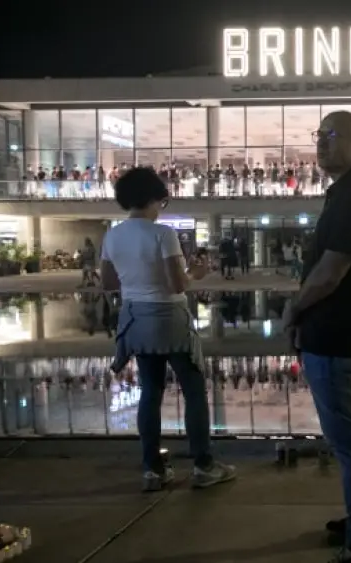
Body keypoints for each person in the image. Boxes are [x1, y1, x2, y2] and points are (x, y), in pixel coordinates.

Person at [282, 111, 351, 563]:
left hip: (334, 334)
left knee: (347, 442)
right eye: (319, 135)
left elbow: (331, 272)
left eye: (333, 135)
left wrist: (294, 307)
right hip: (340, 332)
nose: (322, 143)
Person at [99, 167, 235, 493]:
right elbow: (178, 283)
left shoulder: (113, 235)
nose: (163, 206)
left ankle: (153, 470)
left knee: (150, 392)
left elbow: (107, 282)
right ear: (153, 198)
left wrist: (136, 280)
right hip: (169, 317)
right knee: (193, 389)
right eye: (163, 200)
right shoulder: (162, 234)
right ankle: (203, 465)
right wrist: (198, 272)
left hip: (135, 319)